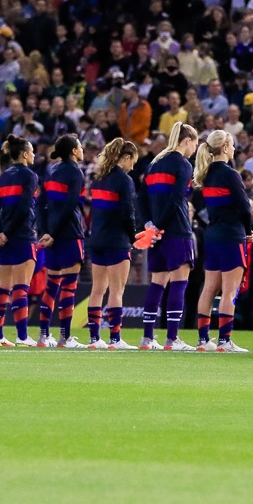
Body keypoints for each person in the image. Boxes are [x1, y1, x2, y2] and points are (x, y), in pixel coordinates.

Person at [140, 122, 199, 351]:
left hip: (156, 232)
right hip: (176, 230)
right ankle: (172, 339)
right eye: (195, 143)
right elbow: (176, 200)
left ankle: (147, 338)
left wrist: (150, 226)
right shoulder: (183, 165)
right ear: (187, 141)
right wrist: (159, 227)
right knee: (179, 282)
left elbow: (141, 197)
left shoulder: (154, 165)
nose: (195, 148)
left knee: (157, 282)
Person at [194, 130, 253, 353]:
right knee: (229, 290)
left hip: (212, 235)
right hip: (231, 235)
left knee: (209, 288)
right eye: (233, 145)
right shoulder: (231, 174)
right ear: (226, 147)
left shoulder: (206, 174)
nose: (235, 149)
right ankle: (224, 341)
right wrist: (249, 231)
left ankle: (202, 340)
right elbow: (244, 207)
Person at [86, 138, 140, 350]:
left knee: (97, 289)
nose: (133, 166)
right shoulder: (124, 181)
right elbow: (127, 213)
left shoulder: (99, 179)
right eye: (132, 161)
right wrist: (133, 235)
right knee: (117, 290)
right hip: (117, 241)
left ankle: (93, 338)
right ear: (125, 158)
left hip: (97, 240)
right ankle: (115, 339)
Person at [0, 135, 40, 347]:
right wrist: (8, 232)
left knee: (3, 287)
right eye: (32, 151)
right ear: (26, 154)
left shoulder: (2, 177)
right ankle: (22, 336)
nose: (34, 155)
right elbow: (25, 207)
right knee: (21, 287)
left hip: (5, 238)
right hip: (22, 235)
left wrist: (0, 232)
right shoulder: (29, 176)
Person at [38, 134, 86, 348]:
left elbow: (39, 204)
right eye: (80, 146)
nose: (82, 149)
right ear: (74, 151)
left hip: (51, 236)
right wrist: (55, 233)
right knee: (69, 287)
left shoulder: (51, 171)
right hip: (69, 234)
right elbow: (71, 205)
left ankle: (43, 336)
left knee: (51, 286)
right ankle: (64, 337)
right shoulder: (75, 172)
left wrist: (46, 231)